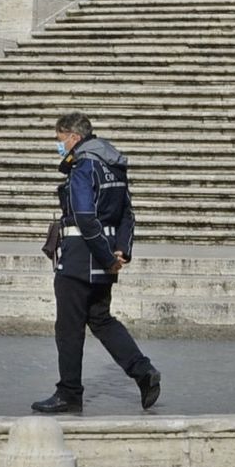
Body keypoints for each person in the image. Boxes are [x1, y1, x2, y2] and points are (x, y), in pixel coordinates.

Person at [32, 113, 161, 414]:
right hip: (103, 259)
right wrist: (120, 252)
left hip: (79, 258)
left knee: (68, 328)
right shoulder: (114, 165)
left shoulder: (84, 167)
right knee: (101, 319)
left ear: (73, 138)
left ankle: (69, 392)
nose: (59, 146)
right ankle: (143, 371)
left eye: (60, 140)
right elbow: (128, 214)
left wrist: (106, 256)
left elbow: (85, 218)